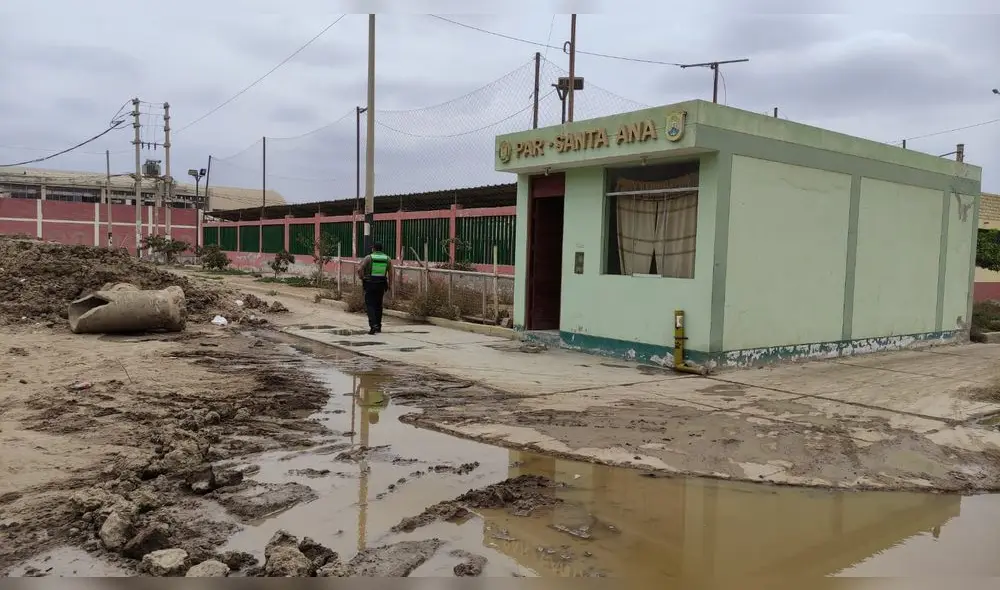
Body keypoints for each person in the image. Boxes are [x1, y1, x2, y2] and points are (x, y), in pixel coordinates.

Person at [357, 242, 392, 334]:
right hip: (381, 284)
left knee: (370, 305)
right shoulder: (387, 259)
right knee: (378, 305)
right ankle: (378, 326)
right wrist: (390, 285)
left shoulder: (369, 257)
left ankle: (373, 325)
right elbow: (391, 273)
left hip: (370, 283)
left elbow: (359, 269)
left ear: (373, 249)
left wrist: (362, 277)